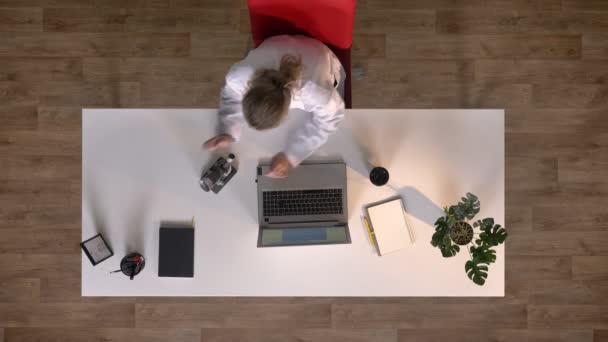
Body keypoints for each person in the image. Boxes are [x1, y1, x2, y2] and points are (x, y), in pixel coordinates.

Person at [203, 35, 345, 178]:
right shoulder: (240, 75)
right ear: (247, 90)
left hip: (320, 52)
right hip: (280, 40)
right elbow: (232, 94)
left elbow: (330, 119)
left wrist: (292, 156)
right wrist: (228, 130)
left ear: (287, 112)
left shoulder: (315, 92)